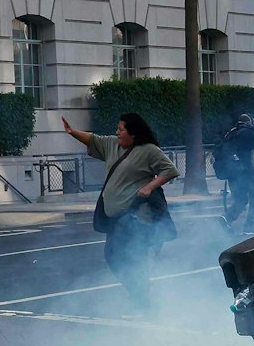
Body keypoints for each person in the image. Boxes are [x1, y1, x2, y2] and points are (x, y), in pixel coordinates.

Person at [62, 113, 177, 314]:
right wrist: (72, 132)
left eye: (121, 129)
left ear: (133, 133)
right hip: (115, 218)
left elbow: (170, 170)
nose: (117, 132)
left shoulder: (148, 151)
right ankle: (140, 296)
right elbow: (92, 139)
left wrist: (149, 187)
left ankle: (143, 301)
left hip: (135, 217)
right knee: (113, 255)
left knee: (132, 256)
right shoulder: (112, 145)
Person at [213, 114, 254, 234]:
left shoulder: (231, 133)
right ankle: (250, 227)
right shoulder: (247, 133)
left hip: (231, 172)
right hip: (245, 171)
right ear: (250, 123)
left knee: (241, 199)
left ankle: (226, 218)